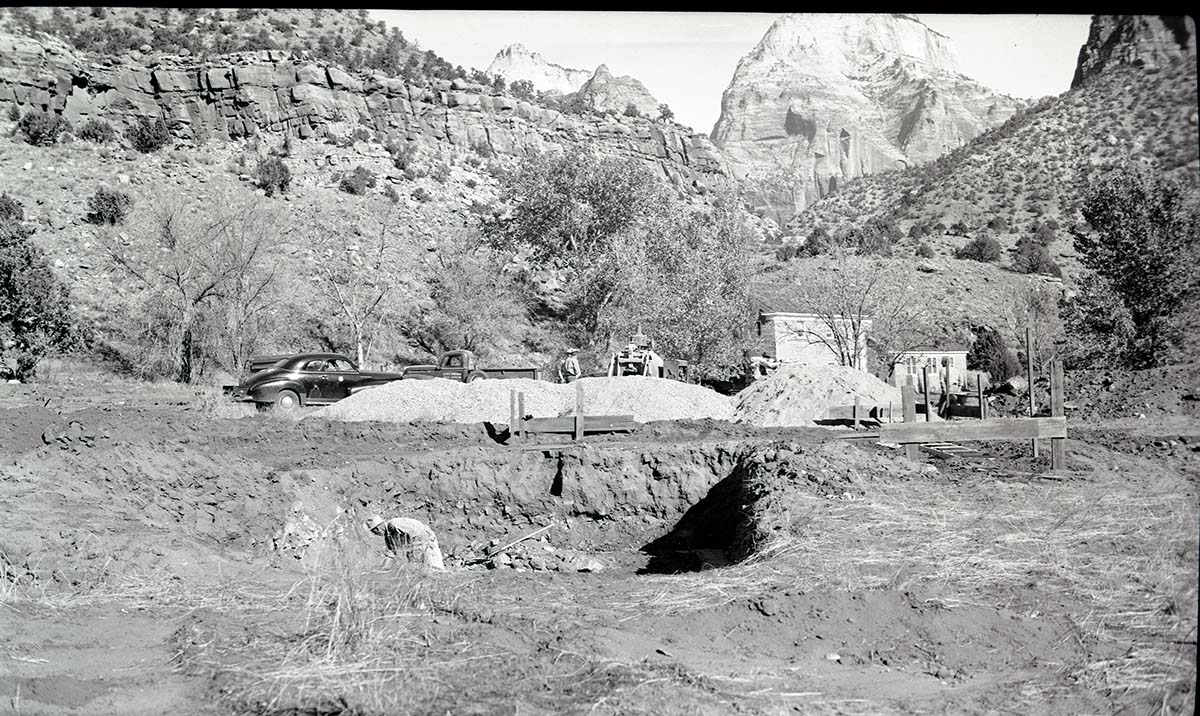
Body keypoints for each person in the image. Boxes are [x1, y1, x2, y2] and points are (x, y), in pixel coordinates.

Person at [365, 514, 446, 570]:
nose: (375, 534)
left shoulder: (394, 524)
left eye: (374, 531)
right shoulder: (388, 537)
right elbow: (391, 554)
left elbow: (416, 532)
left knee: (434, 567)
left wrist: (413, 551)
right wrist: (382, 569)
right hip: (415, 546)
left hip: (425, 539)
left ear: (377, 529)